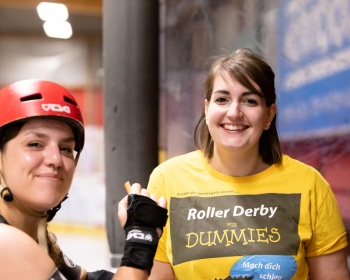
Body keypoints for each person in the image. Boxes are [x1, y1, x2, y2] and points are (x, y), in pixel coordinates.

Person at [146, 48, 350, 279]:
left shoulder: (309, 184)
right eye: (222, 99)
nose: (234, 112)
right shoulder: (168, 180)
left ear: (269, 114)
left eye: (250, 101)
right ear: (206, 108)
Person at [0, 79, 168, 280]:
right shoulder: (6, 243)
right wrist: (140, 241)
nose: (55, 160)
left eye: (65, 149)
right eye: (35, 144)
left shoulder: (38, 241)